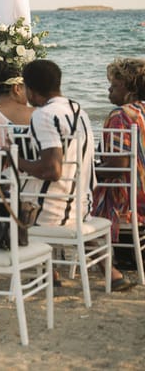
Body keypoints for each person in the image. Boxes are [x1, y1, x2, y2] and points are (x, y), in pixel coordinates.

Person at [17, 60, 100, 285]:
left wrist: (16, 160)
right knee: (35, 192)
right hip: (83, 205)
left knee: (2, 201)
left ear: (30, 90)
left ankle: (45, 270)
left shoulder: (43, 115)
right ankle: (110, 271)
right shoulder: (78, 110)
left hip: (53, 213)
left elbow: (52, 170)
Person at [92, 58, 145, 288]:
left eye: (114, 85)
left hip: (130, 200)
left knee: (75, 205)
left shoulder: (121, 116)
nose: (109, 90)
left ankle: (108, 267)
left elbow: (119, 166)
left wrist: (88, 171)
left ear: (128, 87)